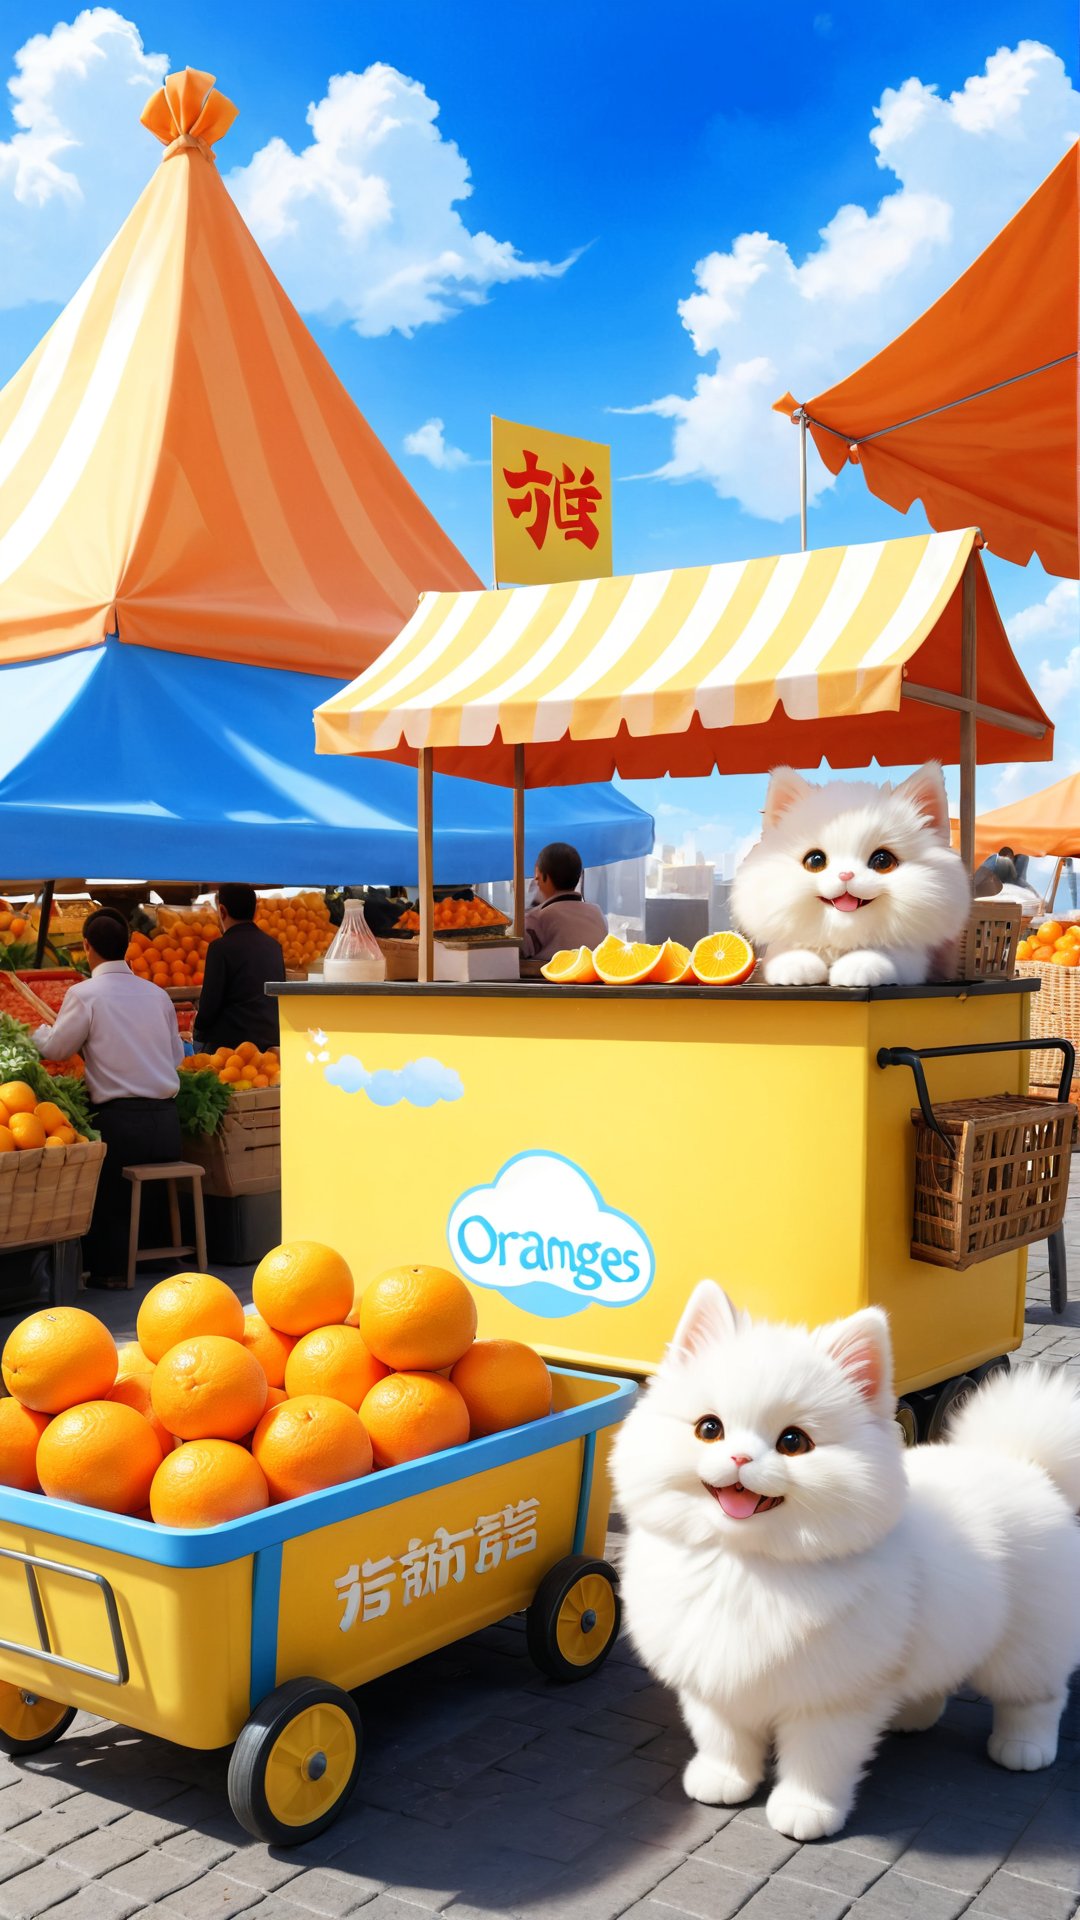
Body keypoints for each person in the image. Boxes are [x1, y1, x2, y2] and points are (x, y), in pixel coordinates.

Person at [33, 910, 184, 1289]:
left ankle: (111, 1270)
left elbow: (56, 1048)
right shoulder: (158, 994)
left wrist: (35, 1033)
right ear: (129, 945)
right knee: (142, 1187)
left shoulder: (85, 994)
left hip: (120, 1128)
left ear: (86, 946)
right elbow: (177, 1059)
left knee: (105, 1185)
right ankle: (157, 1259)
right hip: (167, 1125)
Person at [194, 885, 285, 1053]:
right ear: (255, 910)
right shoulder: (274, 946)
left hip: (232, 1050)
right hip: (271, 1044)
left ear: (222, 911)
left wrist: (197, 1032)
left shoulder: (220, 948)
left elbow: (209, 1005)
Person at [521, 843, 607, 969]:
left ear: (546, 878)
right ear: (578, 877)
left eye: (537, 878)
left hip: (552, 984)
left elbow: (518, 952)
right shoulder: (597, 912)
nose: (537, 883)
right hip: (594, 982)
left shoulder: (538, 918)